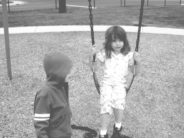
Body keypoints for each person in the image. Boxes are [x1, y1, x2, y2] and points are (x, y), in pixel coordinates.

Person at [91, 26, 140, 138]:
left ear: (124, 41)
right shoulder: (105, 53)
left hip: (120, 85)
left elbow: (135, 71)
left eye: (120, 40)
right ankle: (103, 133)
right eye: (114, 41)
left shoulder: (128, 55)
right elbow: (94, 68)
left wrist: (138, 61)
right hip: (107, 84)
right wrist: (92, 56)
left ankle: (117, 127)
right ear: (109, 42)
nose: (118, 43)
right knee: (106, 106)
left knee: (119, 104)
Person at [33, 52, 73, 138]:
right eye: (67, 71)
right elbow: (41, 129)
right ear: (58, 73)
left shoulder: (61, 87)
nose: (70, 73)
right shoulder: (45, 94)